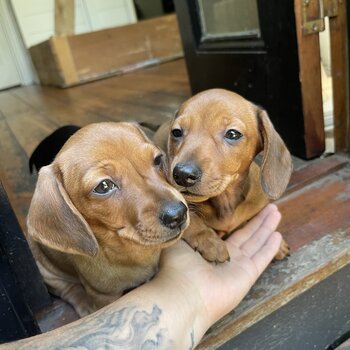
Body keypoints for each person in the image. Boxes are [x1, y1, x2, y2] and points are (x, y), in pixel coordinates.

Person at [1, 204, 282, 350]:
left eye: (156, 161)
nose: (172, 205)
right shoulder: (81, 246)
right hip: (74, 274)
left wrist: (185, 291)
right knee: (90, 287)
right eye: (104, 187)